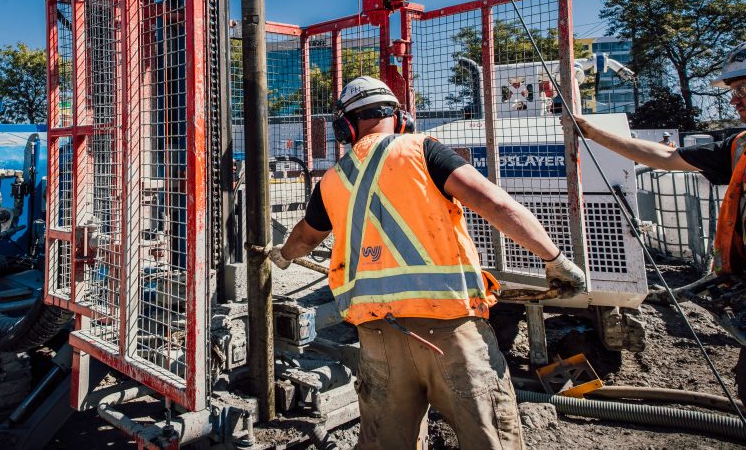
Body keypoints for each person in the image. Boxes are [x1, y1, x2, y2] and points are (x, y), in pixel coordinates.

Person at [269, 76, 587, 450]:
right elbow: (496, 205)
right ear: (400, 118)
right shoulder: (423, 150)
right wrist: (555, 259)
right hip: (452, 333)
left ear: (345, 127)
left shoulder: (333, 179)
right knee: (488, 439)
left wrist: (283, 255)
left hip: (378, 339)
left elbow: (305, 237)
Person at [562, 43, 746, 398]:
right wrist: (594, 133)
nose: (735, 100)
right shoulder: (738, 146)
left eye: (742, 90)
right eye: (734, 91)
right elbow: (669, 156)